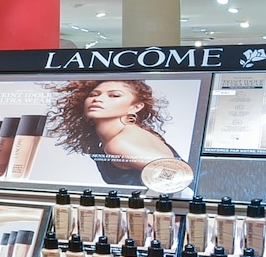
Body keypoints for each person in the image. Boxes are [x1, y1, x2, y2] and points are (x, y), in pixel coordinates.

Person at [46, 79, 183, 185]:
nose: (98, 99)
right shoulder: (119, 137)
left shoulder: (120, 143)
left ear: (136, 107)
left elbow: (178, 176)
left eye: (114, 95)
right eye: (93, 95)